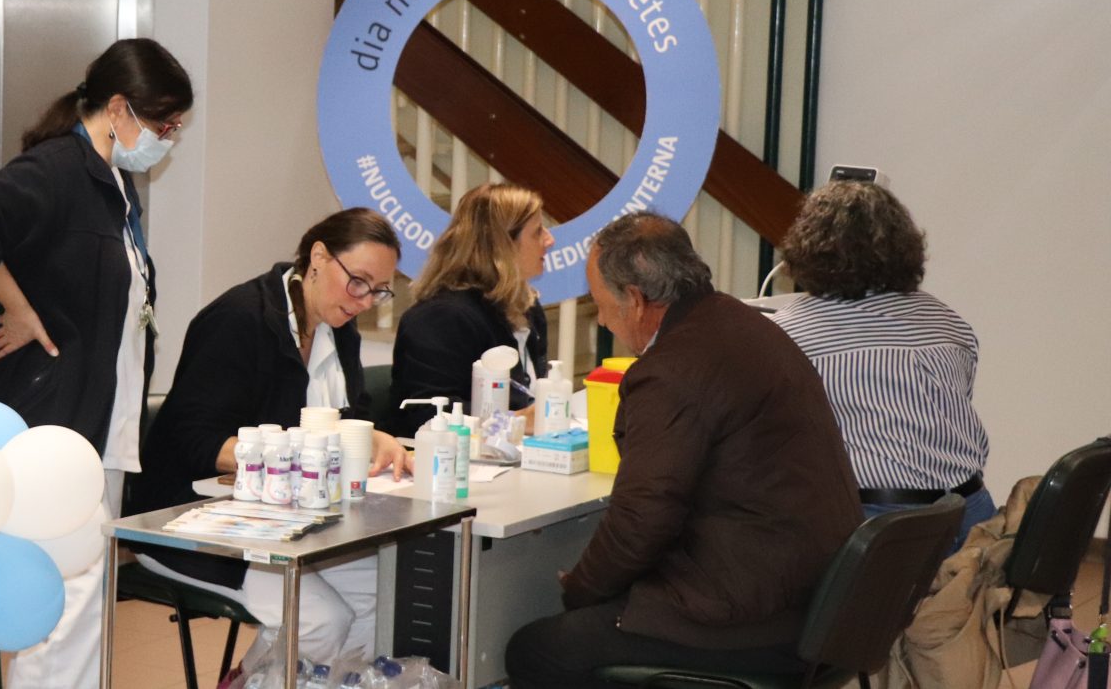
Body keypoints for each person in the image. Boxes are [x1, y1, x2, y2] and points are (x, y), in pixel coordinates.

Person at [505, 212, 862, 687]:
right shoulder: (744, 325)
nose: (604, 319)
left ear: (635, 300)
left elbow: (642, 518)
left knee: (537, 649)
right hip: (818, 601)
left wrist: (579, 592)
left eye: (601, 304)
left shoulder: (672, 370)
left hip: (749, 615)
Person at [0, 38, 191, 688]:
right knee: (63, 599)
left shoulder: (114, 181)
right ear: (118, 108)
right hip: (55, 419)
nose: (168, 140)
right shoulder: (58, 169)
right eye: (164, 126)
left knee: (89, 596)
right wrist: (16, 307)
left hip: (103, 419)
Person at [126, 208, 414, 667]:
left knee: (388, 593)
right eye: (358, 282)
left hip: (286, 523)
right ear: (319, 257)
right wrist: (291, 457)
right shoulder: (239, 320)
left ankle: (275, 678)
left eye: (379, 291)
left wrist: (373, 436)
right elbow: (192, 442)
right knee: (321, 620)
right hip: (189, 521)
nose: (364, 302)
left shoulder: (339, 327)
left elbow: (347, 414)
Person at [771, 180, 995, 547]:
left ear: (806, 248)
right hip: (972, 518)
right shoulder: (947, 320)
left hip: (879, 530)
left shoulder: (789, 334)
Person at [387, 184, 554, 437]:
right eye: (538, 232)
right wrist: (515, 421)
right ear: (503, 245)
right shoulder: (440, 318)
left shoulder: (526, 308)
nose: (549, 240)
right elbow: (428, 414)